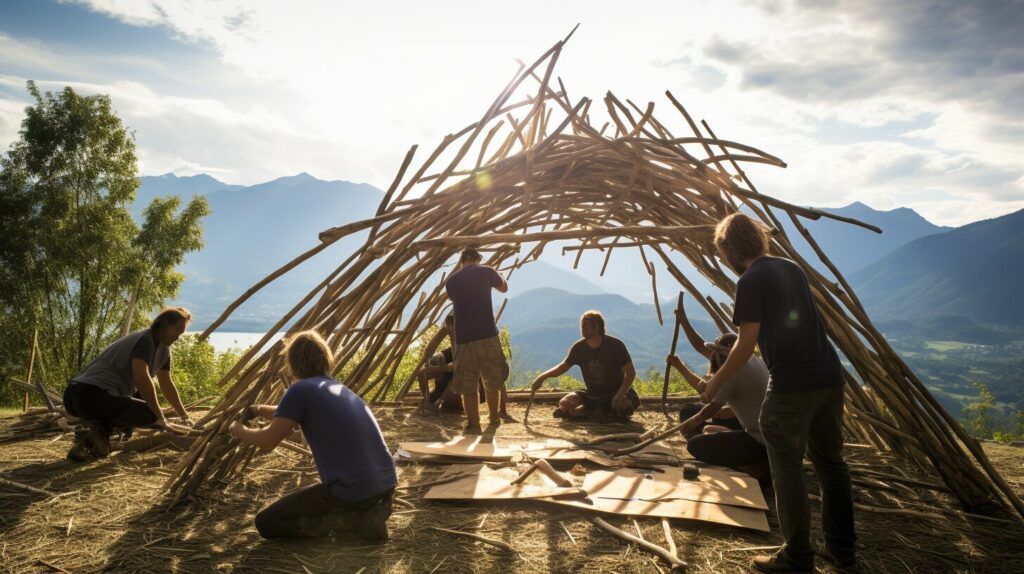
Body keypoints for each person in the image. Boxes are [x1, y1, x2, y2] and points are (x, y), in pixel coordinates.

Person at [706, 213, 856, 573]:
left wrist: (715, 383)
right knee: (831, 464)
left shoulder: (751, 280)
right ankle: (843, 551)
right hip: (829, 378)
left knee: (786, 468)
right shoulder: (790, 268)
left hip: (792, 386)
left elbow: (745, 343)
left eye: (722, 251)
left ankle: (797, 556)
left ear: (729, 248)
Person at [229, 330, 397, 541]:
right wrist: (257, 409)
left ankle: (351, 524)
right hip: (385, 484)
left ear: (292, 361)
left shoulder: (300, 391)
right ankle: (364, 513)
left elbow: (267, 441)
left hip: (352, 491)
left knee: (266, 522)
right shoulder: (336, 388)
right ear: (325, 358)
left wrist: (237, 429)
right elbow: (288, 412)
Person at [62, 307, 193, 462]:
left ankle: (90, 443)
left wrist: (184, 416)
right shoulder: (146, 340)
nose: (178, 336)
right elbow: (141, 377)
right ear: (163, 325)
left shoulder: (164, 350)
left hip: (87, 396)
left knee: (145, 404)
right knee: (150, 413)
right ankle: (97, 435)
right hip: (88, 395)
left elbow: (166, 384)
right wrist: (160, 417)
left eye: (181, 333)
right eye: (176, 330)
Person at [668, 328, 770, 480]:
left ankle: (753, 468)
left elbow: (711, 404)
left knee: (695, 445)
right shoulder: (756, 360)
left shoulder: (733, 372)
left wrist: (691, 423)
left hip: (759, 443)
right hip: (768, 437)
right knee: (707, 426)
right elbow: (708, 391)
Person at [444, 248, 511, 433]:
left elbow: (453, 297)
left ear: (462, 260)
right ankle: (494, 418)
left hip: (464, 339)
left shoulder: (452, 281)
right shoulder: (487, 271)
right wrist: (501, 275)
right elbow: (504, 287)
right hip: (488, 335)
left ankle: (474, 424)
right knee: (492, 381)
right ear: (478, 258)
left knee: (468, 385)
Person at [530, 310, 640, 421]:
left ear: (598, 327)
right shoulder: (579, 348)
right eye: (582, 325)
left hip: (616, 392)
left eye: (587, 325)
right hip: (593, 394)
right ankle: (594, 412)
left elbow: (631, 373)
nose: (583, 328)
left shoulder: (616, 345)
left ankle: (594, 412)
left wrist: (620, 394)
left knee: (622, 404)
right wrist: (541, 378)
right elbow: (562, 367)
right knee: (566, 403)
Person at [415, 313, 484, 413]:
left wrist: (441, 368)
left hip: (466, 368)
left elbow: (459, 365)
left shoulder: (467, 335)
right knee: (422, 371)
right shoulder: (448, 327)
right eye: (449, 327)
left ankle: (439, 400)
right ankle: (426, 401)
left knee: (458, 379)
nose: (451, 329)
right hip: (452, 359)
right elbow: (430, 348)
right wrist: (427, 363)